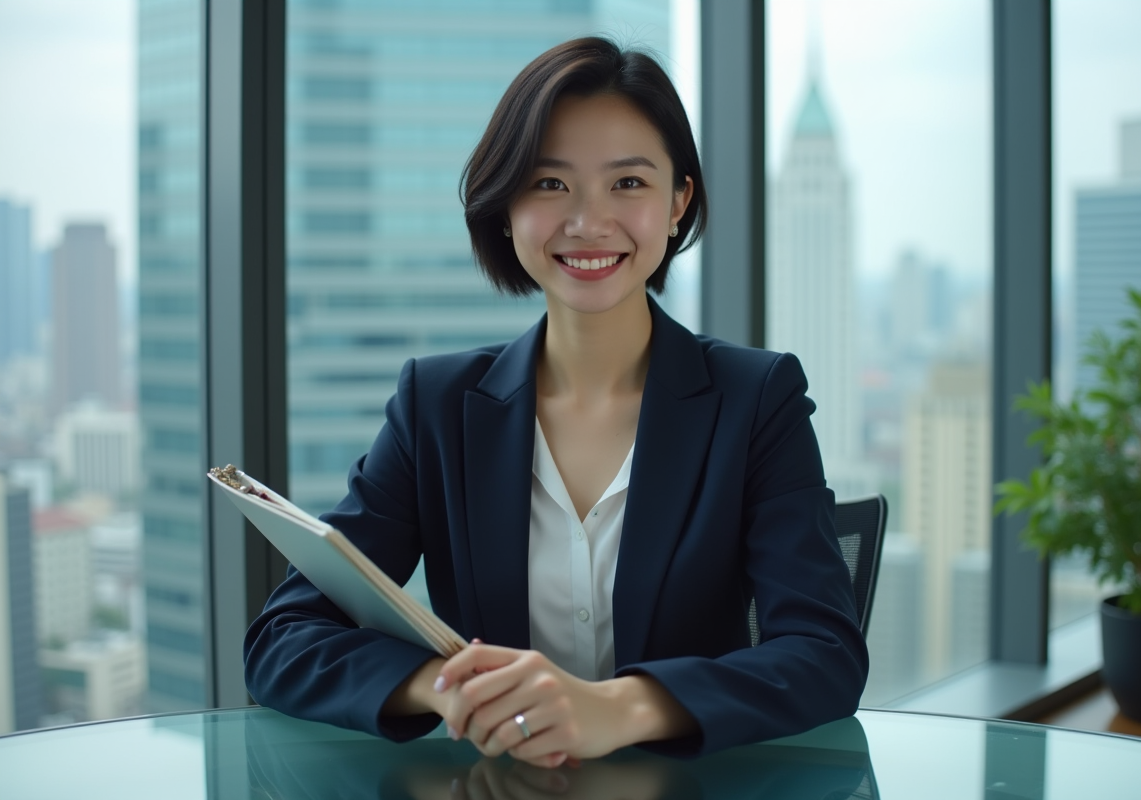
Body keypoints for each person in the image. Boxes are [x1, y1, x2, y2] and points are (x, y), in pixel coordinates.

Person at [244, 36, 867, 769]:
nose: (588, 221)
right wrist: (450, 690)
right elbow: (282, 641)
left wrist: (617, 707)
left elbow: (824, 654)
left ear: (678, 202)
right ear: (507, 208)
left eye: (628, 184)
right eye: (549, 184)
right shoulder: (436, 407)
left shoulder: (757, 399)